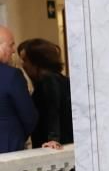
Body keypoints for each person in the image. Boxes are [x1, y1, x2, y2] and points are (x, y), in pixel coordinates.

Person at [17, 39, 72, 149]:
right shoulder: (58, 79)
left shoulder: (48, 80)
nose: (24, 65)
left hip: (55, 146)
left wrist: (53, 139)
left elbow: (53, 109)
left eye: (26, 60)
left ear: (37, 62)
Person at [0, 25, 36, 153]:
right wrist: (16, 136)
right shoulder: (12, 75)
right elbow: (29, 117)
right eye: (11, 45)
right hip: (8, 150)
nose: (14, 50)